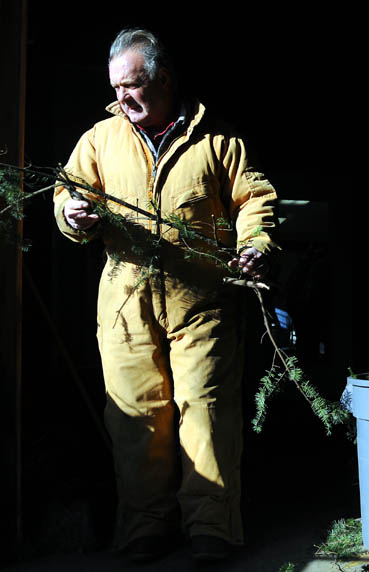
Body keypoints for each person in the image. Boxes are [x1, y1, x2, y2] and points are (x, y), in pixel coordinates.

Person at [53, 28, 278, 562]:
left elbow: (254, 197)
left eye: (132, 86)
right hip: (126, 303)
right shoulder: (99, 140)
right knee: (136, 420)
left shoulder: (217, 139)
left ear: (165, 79)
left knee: (205, 413)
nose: (122, 99)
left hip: (203, 298)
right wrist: (70, 213)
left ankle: (211, 530)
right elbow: (67, 193)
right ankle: (145, 528)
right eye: (115, 88)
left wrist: (256, 241)